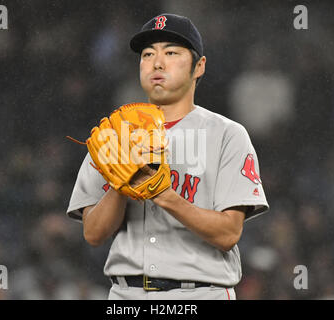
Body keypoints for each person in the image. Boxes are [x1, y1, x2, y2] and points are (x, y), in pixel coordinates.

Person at [67, 13, 269, 300]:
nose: (157, 62)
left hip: (200, 294)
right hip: (127, 296)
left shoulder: (227, 135)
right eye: (148, 54)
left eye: (171, 52)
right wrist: (121, 185)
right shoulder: (113, 135)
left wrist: (165, 195)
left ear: (199, 67)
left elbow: (228, 234)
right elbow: (94, 234)